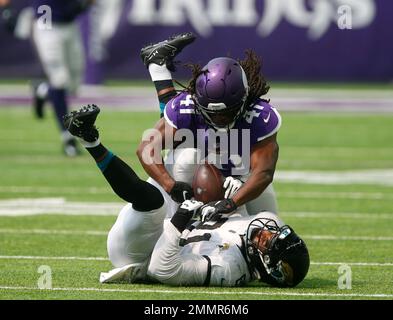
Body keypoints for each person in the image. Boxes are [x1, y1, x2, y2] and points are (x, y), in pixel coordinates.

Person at [63, 104, 310, 288]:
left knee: (153, 203)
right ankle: (159, 70)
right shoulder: (266, 222)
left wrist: (181, 218)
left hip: (141, 253)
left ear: (265, 262)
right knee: (191, 155)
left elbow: (164, 269)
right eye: (275, 232)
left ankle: (90, 140)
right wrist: (232, 190)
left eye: (269, 241)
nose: (269, 231)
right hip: (179, 225)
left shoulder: (229, 268)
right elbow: (233, 214)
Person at [138, 33, 281, 218]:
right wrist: (170, 186)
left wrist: (233, 201)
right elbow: (146, 148)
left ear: (244, 99)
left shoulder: (260, 116)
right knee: (184, 156)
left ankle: (158, 68)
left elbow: (263, 172)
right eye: (213, 113)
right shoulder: (186, 108)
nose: (219, 119)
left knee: (269, 221)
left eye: (226, 112)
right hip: (194, 165)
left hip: (241, 171)